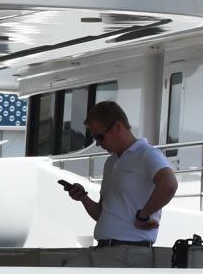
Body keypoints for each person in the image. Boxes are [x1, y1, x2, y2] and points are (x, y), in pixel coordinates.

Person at [59, 101, 177, 247]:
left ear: (118, 127)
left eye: (100, 137)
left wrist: (143, 215)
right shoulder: (111, 162)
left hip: (130, 251)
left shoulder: (147, 154)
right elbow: (101, 214)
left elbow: (169, 185)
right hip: (104, 249)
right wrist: (83, 197)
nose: (98, 143)